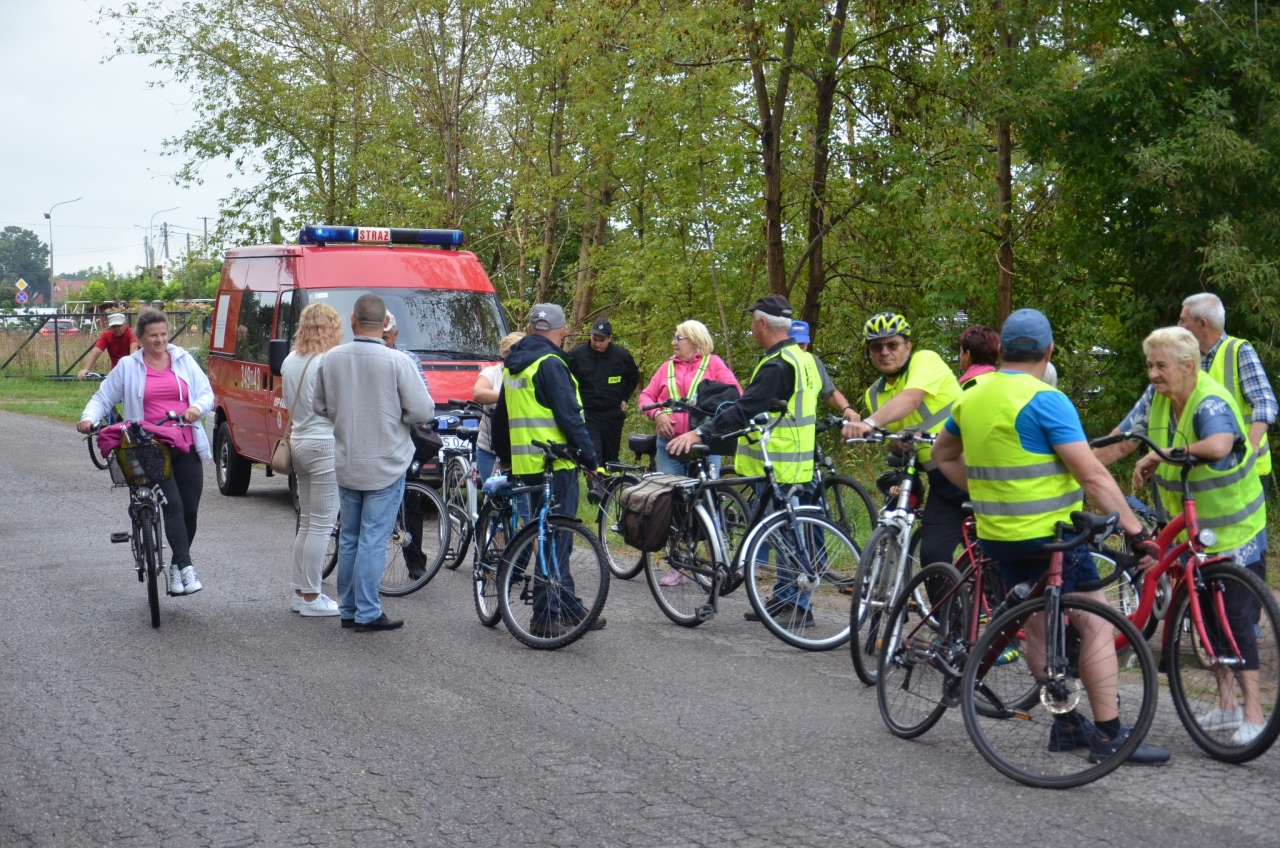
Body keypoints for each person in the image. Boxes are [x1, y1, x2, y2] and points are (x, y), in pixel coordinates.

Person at [932, 307, 1170, 766]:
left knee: (1035, 626)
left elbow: (943, 454)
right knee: (1097, 624)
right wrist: (1137, 533)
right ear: (1049, 350)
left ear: (1001, 349)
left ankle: (1065, 726)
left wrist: (986, 490)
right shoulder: (1046, 400)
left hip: (998, 536)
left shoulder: (971, 397)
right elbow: (1093, 476)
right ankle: (1108, 735)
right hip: (1051, 538)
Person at [1097, 326, 1268, 745]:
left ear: (1188, 367)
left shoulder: (1209, 400)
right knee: (1206, 616)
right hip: (1190, 529)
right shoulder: (1157, 398)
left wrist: (1164, 454)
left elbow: (1220, 443)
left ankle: (1255, 713)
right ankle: (1227, 705)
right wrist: (1071, 462)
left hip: (1234, 530)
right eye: (1150, 364)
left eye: (1161, 366)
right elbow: (1119, 442)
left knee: (1237, 622)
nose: (1153, 373)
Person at [667, 294, 821, 624]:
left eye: (753, 322)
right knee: (787, 535)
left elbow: (745, 408)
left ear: (763, 324)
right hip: (798, 460)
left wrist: (701, 433)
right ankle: (785, 599)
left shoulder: (777, 365)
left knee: (785, 537)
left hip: (776, 462)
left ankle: (798, 605)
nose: (751, 328)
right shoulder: (804, 359)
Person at [313, 294, 435, 632]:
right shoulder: (397, 362)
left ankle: (349, 608)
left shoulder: (331, 358)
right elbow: (424, 411)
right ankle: (366, 611)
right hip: (386, 461)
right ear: (385, 324)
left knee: (350, 536)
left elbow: (319, 406)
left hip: (347, 458)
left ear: (352, 320)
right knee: (372, 539)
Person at [78, 307, 213, 596]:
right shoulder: (128, 366)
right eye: (153, 336)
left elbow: (206, 393)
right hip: (147, 447)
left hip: (184, 441)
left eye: (164, 334)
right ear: (140, 338)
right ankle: (188, 569)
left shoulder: (183, 359)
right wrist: (88, 418)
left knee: (190, 509)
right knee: (173, 504)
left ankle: (176, 567)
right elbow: (103, 397)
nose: (160, 340)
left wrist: (195, 408)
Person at [491, 303, 605, 638]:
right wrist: (591, 460)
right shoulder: (551, 363)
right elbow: (570, 417)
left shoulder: (514, 365)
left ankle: (568, 606)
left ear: (530, 328)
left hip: (526, 464)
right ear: (562, 330)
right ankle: (544, 615)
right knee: (556, 540)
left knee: (551, 538)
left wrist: (506, 457)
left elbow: (502, 417)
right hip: (556, 463)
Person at [842, 311, 966, 570]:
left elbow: (911, 399)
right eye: (876, 347)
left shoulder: (926, 360)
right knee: (932, 557)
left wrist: (868, 423)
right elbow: (895, 433)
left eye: (892, 344)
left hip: (974, 469)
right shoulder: (873, 395)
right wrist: (896, 443)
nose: (884, 351)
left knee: (993, 551)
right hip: (940, 480)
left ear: (908, 346)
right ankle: (948, 612)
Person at [282, 303, 344, 617]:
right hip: (323, 443)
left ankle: (299, 590)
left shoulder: (290, 360)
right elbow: (336, 407)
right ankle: (311, 597)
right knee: (321, 525)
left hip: (298, 441)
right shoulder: (328, 361)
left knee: (307, 522)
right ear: (331, 328)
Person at [638, 319, 741, 477]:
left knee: (705, 498)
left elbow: (735, 394)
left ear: (694, 340)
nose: (673, 343)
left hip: (704, 443)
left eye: (678, 338)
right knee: (670, 496)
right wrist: (657, 414)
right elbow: (645, 397)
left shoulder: (713, 363)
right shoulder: (667, 367)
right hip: (669, 444)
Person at [566, 318, 641, 465]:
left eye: (602, 340)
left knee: (611, 457)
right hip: (588, 413)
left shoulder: (621, 356)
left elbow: (634, 377)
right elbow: (564, 379)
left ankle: (610, 486)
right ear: (590, 336)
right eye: (595, 339)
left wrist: (624, 397)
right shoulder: (576, 355)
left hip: (612, 414)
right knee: (593, 454)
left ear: (610, 338)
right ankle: (595, 486)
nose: (597, 343)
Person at [473, 331, 526, 482]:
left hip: (520, 450)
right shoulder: (492, 373)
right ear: (503, 354)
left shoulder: (529, 373)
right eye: (509, 352)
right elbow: (478, 393)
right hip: (489, 448)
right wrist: (507, 397)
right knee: (492, 496)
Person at [787, 320, 857, 422]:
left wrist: (847, 409)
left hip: (806, 435)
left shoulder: (813, 361)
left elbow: (830, 392)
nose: (799, 348)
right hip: (778, 435)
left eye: (802, 345)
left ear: (807, 342)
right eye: (794, 344)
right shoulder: (777, 363)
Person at [78, 313, 139, 379]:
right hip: (116, 372)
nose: (116, 329)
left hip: (133, 369)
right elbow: (95, 352)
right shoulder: (106, 335)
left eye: (119, 326)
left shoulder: (132, 332)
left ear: (125, 324)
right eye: (113, 326)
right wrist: (86, 369)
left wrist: (132, 369)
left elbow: (134, 348)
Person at [958, 324, 999, 388]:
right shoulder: (1003, 382)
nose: (959, 356)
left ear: (968, 355)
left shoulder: (968, 386)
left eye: (961, 352)